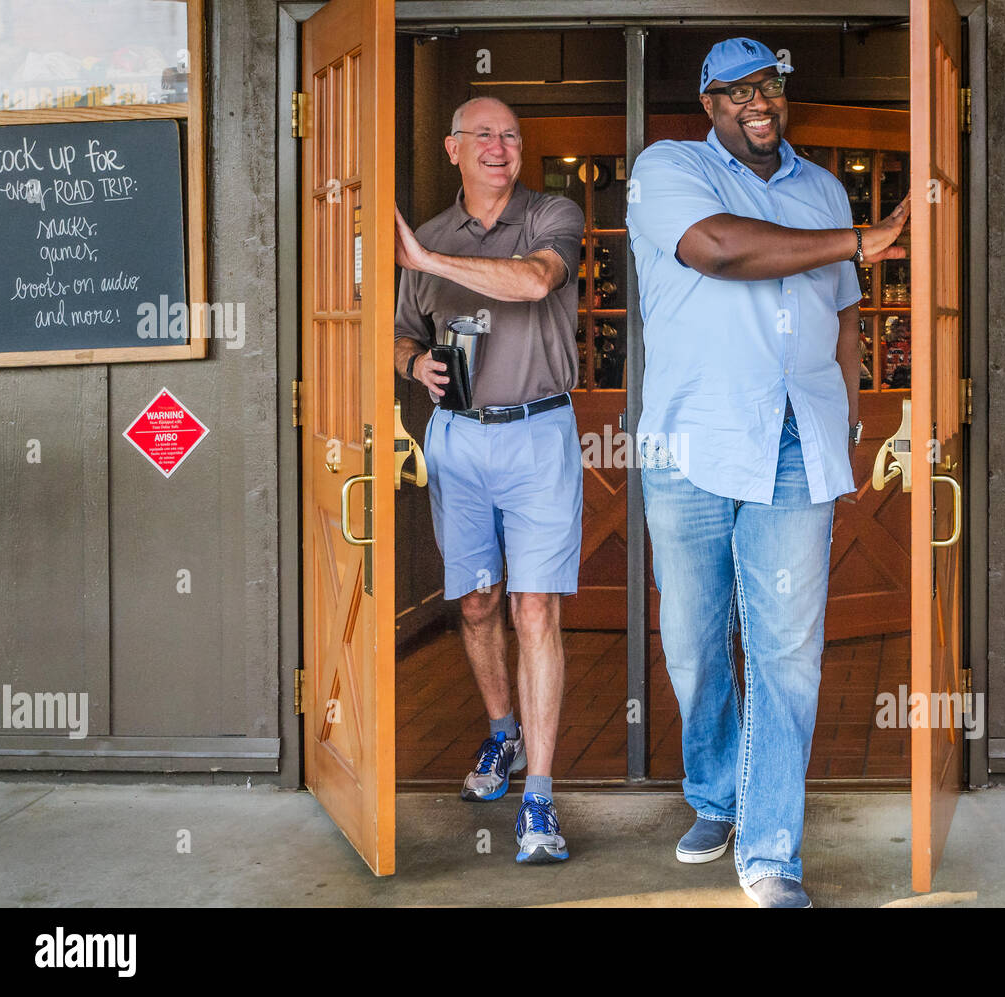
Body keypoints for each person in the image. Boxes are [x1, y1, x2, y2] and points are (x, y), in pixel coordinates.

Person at [627, 38, 909, 906]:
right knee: (695, 644)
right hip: (692, 443)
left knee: (787, 648)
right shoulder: (668, 167)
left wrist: (850, 411)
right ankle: (715, 791)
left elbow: (846, 317)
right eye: (739, 90)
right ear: (708, 101)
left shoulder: (822, 187)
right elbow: (719, 247)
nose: (760, 103)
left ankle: (769, 849)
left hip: (796, 443)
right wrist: (862, 238)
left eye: (772, 87)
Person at [393, 96, 585, 865]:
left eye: (510, 133)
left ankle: (538, 798)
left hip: (539, 434)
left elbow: (538, 281)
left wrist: (431, 262)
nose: (499, 146)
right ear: (452, 149)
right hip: (459, 439)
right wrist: (413, 362)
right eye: (483, 134)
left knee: (536, 606)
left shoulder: (551, 214)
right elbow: (399, 332)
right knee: (477, 601)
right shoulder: (429, 237)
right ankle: (502, 735)